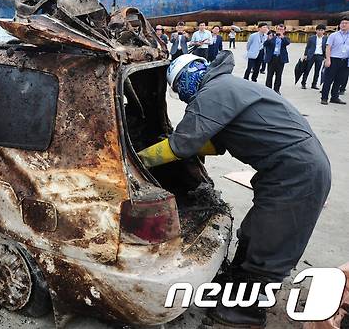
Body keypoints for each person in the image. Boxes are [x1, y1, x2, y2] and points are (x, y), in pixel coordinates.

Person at [137, 52, 331, 328]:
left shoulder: (214, 91)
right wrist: (174, 147)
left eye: (180, 88)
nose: (181, 96)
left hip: (297, 173)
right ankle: (236, 286)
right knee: (255, 231)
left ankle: (246, 312)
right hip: (290, 168)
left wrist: (139, 159)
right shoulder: (226, 85)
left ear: (191, 76)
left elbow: (182, 145)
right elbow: (216, 144)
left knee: (271, 242)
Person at [320, 17, 349, 105]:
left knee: (339, 80)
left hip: (345, 61)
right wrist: (328, 59)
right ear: (339, 25)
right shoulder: (334, 35)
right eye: (342, 23)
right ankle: (324, 98)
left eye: (346, 23)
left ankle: (334, 97)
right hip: (333, 59)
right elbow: (328, 48)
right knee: (328, 80)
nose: (344, 25)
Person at [263, 24, 290, 94]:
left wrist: (282, 37)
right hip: (271, 58)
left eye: (281, 29)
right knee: (269, 75)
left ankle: (276, 90)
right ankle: (268, 90)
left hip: (280, 59)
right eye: (278, 29)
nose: (279, 31)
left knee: (278, 75)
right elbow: (265, 44)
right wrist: (268, 39)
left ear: (284, 30)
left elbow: (287, 43)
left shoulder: (285, 38)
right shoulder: (272, 37)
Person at [301, 24, 327, 89]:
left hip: (320, 56)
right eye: (318, 30)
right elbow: (307, 47)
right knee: (307, 70)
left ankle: (314, 84)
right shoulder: (311, 38)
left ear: (324, 31)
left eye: (322, 30)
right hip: (311, 56)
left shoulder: (326, 38)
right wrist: (305, 55)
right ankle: (303, 83)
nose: (320, 32)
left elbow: (327, 48)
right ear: (316, 30)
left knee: (317, 71)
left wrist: (326, 57)